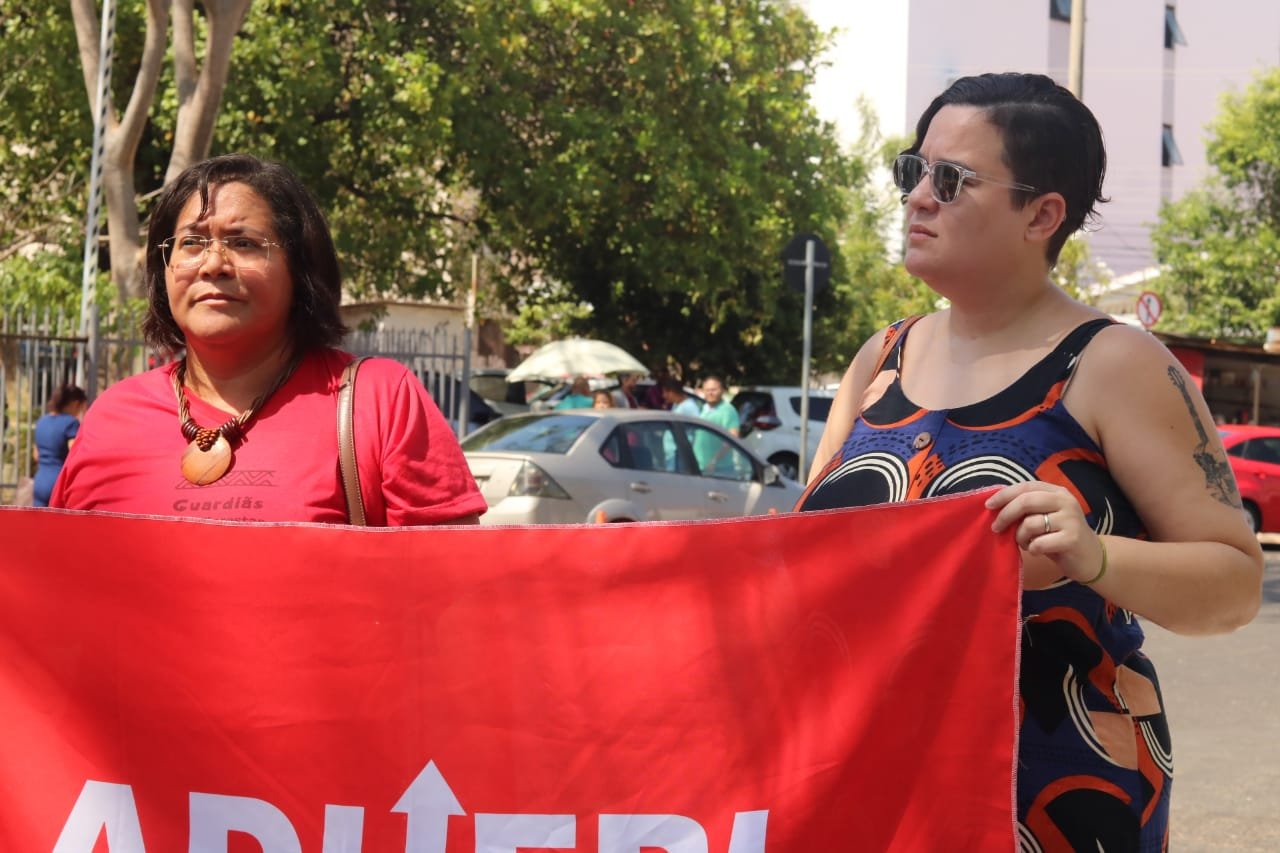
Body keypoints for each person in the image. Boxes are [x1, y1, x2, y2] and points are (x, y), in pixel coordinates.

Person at [798, 73, 1263, 849]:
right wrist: (645, 563)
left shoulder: (1114, 364)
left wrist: (1095, 555)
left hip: (1050, 789)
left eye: (951, 180)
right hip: (870, 773)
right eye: (913, 170)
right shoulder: (880, 358)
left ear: (1042, 215)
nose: (918, 198)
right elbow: (795, 563)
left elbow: (1236, 583)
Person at [51, 154, 485, 526]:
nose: (213, 264)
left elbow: (454, 583)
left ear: (300, 268)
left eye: (243, 243)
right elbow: (58, 581)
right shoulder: (111, 418)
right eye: (192, 243)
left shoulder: (379, 402)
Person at [31, 384, 87, 507]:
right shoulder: (71, 423)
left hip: (39, 482)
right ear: (75, 403)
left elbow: (36, 455)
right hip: (59, 484)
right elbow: (75, 453)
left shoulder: (42, 421)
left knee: (39, 519)